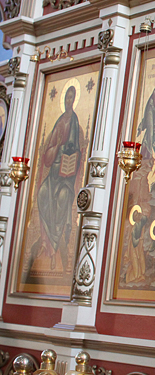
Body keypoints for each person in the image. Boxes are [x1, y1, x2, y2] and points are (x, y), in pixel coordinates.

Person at [35, 86, 81, 271]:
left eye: (71, 98)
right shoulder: (60, 121)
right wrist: (57, 148)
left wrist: (70, 156)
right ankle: (46, 241)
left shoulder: (74, 121)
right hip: (53, 174)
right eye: (67, 97)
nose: (68, 101)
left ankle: (54, 245)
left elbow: (77, 149)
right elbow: (48, 153)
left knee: (63, 198)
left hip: (67, 178)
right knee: (42, 194)